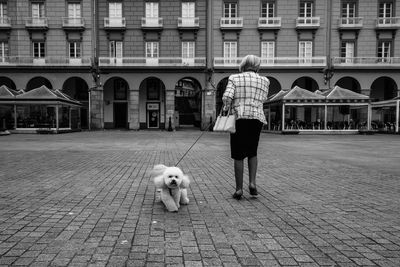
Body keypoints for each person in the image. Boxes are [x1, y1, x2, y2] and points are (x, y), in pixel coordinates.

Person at [222, 55, 269, 199]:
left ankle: (239, 189)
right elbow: (264, 98)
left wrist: (226, 107)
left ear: (243, 65)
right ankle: (253, 183)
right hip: (257, 117)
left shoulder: (234, 78)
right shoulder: (265, 80)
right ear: (257, 66)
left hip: (239, 117)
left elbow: (227, 97)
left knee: (238, 154)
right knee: (252, 151)